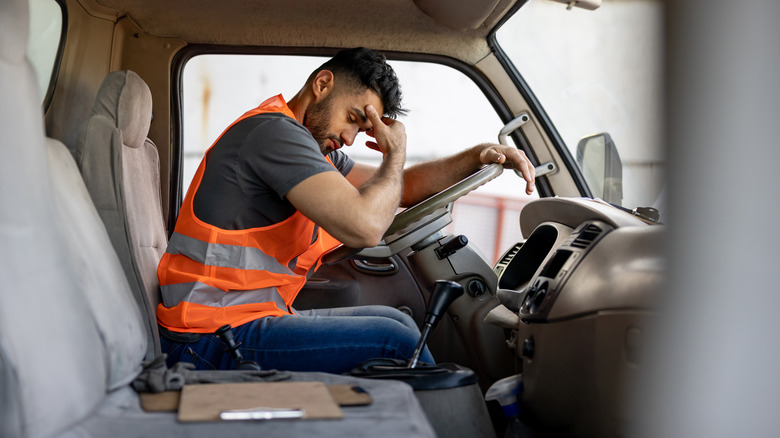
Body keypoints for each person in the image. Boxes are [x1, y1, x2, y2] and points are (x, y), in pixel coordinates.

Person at [157, 47, 535, 374]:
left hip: (237, 320)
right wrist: (395, 151)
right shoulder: (274, 136)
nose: (352, 138)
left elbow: (406, 188)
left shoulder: (308, 146)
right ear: (322, 85)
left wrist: (477, 155)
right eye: (354, 118)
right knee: (395, 340)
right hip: (208, 337)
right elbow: (366, 227)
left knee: (396, 320)